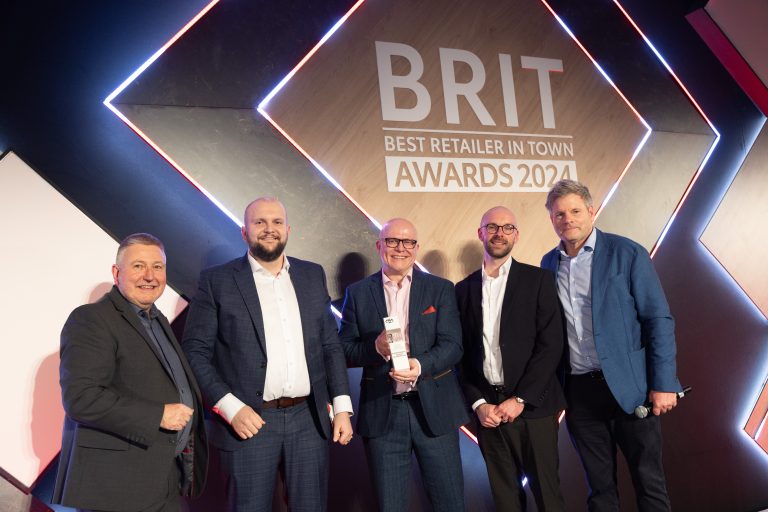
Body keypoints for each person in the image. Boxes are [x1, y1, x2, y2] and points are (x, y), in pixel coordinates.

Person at [182, 197, 353, 512]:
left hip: (309, 420)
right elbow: (194, 352)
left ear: (288, 229)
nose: (269, 229)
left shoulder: (311, 275)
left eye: (276, 222)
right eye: (259, 222)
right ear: (244, 231)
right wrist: (230, 408)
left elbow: (330, 344)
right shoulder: (217, 281)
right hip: (249, 421)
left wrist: (341, 407)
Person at [540, 179, 682, 511]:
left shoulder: (627, 252)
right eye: (559, 214)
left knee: (649, 481)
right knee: (599, 488)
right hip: (579, 394)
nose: (568, 219)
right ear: (551, 219)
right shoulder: (548, 264)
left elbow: (658, 320)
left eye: (575, 211)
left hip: (631, 387)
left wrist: (663, 383)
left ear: (591, 210)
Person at [53, 233, 208, 512]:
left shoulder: (156, 319)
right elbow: (81, 399)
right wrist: (158, 415)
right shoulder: (91, 319)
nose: (149, 276)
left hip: (164, 479)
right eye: (138, 266)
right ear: (117, 272)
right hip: (117, 487)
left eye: (157, 267)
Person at [339, 218, 468, 512]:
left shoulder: (440, 289)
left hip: (435, 410)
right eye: (392, 241)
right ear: (379, 245)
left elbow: (453, 346)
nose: (400, 248)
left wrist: (420, 364)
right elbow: (344, 349)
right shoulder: (358, 293)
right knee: (390, 505)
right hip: (384, 414)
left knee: (451, 504)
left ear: (417, 248)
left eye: (408, 242)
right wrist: (375, 348)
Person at [455, 206, 566, 511]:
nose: (499, 233)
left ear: (516, 235)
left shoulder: (538, 280)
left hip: (534, 409)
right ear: (481, 234)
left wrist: (520, 399)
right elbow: (460, 356)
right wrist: (479, 404)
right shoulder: (462, 290)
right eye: (492, 227)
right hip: (489, 414)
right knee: (505, 501)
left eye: (507, 228)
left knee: (548, 496)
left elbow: (551, 345)